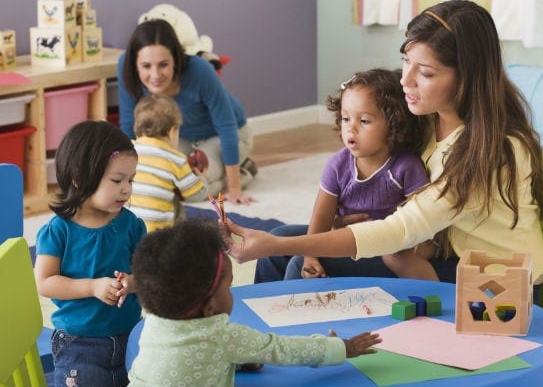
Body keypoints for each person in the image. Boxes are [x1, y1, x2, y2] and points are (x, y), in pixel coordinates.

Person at [226, 0, 543, 289]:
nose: (405, 80)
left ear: (466, 78)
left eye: (425, 72)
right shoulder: (426, 121)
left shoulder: (492, 151)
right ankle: (256, 346)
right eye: (406, 61)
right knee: (285, 240)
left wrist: (279, 244)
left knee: (298, 260)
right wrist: (317, 233)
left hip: (493, 283)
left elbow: (401, 230)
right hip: (439, 251)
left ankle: (297, 351)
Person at [128, 219, 381, 387]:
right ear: (209, 307)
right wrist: (341, 348)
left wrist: (237, 361)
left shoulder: (154, 321)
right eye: (228, 287)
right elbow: (281, 349)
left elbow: (188, 358)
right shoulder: (222, 336)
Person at [255, 68, 437, 283]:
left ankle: (292, 314)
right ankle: (260, 309)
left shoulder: (406, 167)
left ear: (394, 125)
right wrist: (311, 254)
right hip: (345, 236)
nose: (351, 128)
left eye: (364, 121)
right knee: (277, 238)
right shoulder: (338, 165)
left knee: (297, 265)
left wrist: (418, 250)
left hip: (385, 248)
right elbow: (321, 217)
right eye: (345, 118)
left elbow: (425, 222)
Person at [34, 121, 146, 387]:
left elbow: (149, 273)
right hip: (79, 345)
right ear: (80, 179)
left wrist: (130, 283)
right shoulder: (58, 230)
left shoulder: (132, 225)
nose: (126, 188)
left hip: (132, 335)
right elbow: (45, 282)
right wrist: (93, 287)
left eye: (131, 180)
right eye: (117, 180)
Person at [118, 18, 257, 205]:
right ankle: (226, 171)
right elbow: (128, 126)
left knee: (190, 185)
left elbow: (226, 126)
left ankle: (243, 173)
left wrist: (234, 188)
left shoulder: (200, 70)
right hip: (178, 138)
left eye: (163, 64)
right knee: (162, 180)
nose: (155, 75)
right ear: (135, 64)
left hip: (226, 135)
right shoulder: (124, 67)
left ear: (175, 59)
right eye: (146, 66)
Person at [130, 94, 206, 232]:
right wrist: (201, 178)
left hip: (126, 231)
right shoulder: (176, 159)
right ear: (172, 132)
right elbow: (196, 195)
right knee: (176, 204)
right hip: (158, 236)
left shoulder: (127, 150)